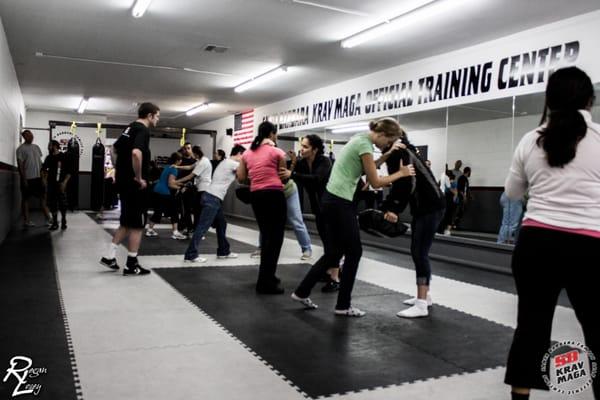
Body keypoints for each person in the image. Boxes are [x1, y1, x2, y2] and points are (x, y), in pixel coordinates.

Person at [503, 67, 599, 400]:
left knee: (531, 326)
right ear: (590, 100)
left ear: (550, 99)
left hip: (536, 245)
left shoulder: (530, 140)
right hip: (589, 247)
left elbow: (513, 194)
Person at [291, 118, 415, 317]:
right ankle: (343, 305)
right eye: (388, 142)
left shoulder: (360, 139)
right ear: (383, 135)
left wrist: (389, 154)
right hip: (341, 202)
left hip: (331, 200)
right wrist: (400, 173)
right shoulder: (364, 144)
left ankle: (302, 291)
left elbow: (368, 167)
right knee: (354, 252)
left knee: (334, 252)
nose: (386, 146)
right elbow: (374, 181)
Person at [381, 134, 446, 318]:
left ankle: (421, 304)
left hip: (430, 207)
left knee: (419, 252)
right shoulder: (403, 150)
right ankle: (425, 297)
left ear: (389, 137)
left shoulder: (400, 153)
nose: (375, 139)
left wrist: (394, 208)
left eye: (379, 135)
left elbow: (406, 182)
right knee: (418, 251)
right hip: (427, 207)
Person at [100, 102, 160, 276]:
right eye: (157, 116)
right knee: (138, 225)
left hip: (123, 183)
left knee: (127, 222)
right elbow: (136, 153)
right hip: (135, 186)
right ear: (149, 116)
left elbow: (113, 149)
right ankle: (131, 264)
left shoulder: (129, 128)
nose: (157, 119)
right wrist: (139, 177)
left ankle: (109, 256)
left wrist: (120, 169)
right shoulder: (142, 130)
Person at [280, 134, 338, 291]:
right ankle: (329, 272)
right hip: (318, 207)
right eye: (302, 146)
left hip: (332, 206)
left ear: (315, 149)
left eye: (305, 147)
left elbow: (317, 179)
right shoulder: (302, 163)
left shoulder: (324, 161)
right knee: (326, 241)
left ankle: (335, 277)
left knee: (332, 242)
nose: (302, 149)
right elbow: (289, 176)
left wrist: (293, 173)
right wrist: (291, 164)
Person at [237, 121, 287, 294]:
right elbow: (284, 178)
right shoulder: (278, 152)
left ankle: (268, 276)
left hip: (257, 196)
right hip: (274, 195)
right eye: (276, 134)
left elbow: (241, 177)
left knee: (266, 236)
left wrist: (257, 177)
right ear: (272, 134)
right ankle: (265, 282)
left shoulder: (247, 154)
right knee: (275, 239)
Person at [184, 145, 246, 262]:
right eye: (243, 156)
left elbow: (238, 179)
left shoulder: (225, 162)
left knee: (222, 224)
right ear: (239, 154)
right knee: (202, 227)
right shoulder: (233, 164)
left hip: (211, 197)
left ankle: (223, 251)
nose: (243, 159)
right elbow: (243, 177)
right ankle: (191, 254)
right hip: (213, 198)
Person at [145, 152, 185, 239]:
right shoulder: (174, 169)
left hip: (157, 190)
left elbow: (167, 180)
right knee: (174, 211)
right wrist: (180, 188)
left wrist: (179, 183)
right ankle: (175, 232)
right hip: (164, 192)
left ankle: (150, 230)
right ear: (178, 161)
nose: (181, 161)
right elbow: (170, 184)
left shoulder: (167, 167)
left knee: (158, 211)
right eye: (181, 160)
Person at [16, 129, 51, 227]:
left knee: (43, 198)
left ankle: (48, 219)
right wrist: (24, 180)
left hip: (38, 178)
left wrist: (44, 177)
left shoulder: (36, 147)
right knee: (25, 199)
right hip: (28, 178)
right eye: (28, 136)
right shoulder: (20, 149)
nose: (31, 137)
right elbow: (20, 166)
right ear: (24, 137)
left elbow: (40, 163)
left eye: (31, 135)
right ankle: (27, 221)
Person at [176, 145, 212, 232]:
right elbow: (189, 167)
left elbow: (190, 176)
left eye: (193, 154)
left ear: (196, 154)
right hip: (200, 188)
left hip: (204, 189)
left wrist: (176, 182)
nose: (192, 156)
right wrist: (177, 166)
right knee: (197, 210)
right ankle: (196, 229)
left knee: (198, 211)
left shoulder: (203, 162)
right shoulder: (200, 160)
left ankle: (198, 230)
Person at [42, 140, 72, 231]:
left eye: (49, 145)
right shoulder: (48, 158)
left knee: (62, 204)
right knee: (52, 204)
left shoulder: (64, 157)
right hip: (51, 184)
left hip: (61, 184)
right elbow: (44, 170)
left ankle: (63, 220)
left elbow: (69, 172)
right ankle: (55, 222)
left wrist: (65, 182)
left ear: (55, 146)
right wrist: (44, 181)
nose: (48, 147)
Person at [177, 142, 197, 234]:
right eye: (186, 148)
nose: (187, 150)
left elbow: (191, 171)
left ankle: (187, 227)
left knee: (188, 209)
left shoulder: (194, 161)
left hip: (191, 187)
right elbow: (178, 173)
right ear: (183, 150)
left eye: (189, 148)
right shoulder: (181, 160)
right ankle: (186, 227)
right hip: (181, 186)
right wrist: (179, 186)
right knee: (183, 209)